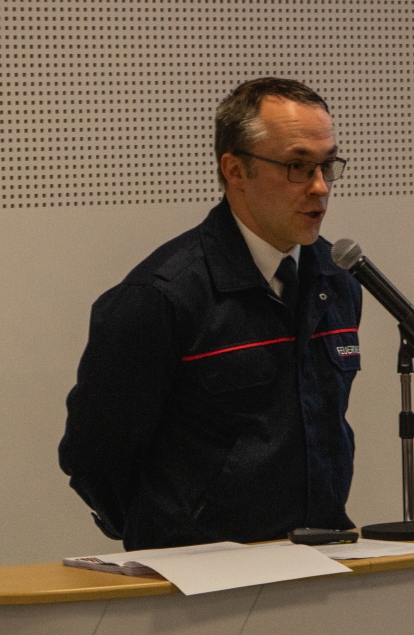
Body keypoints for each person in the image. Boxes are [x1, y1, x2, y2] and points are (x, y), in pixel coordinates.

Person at [58, 78, 362, 549]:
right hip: (201, 576)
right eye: (298, 167)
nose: (320, 186)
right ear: (235, 170)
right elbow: (96, 455)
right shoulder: (161, 297)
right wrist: (168, 532)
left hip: (320, 555)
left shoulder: (336, 278)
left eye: (328, 165)